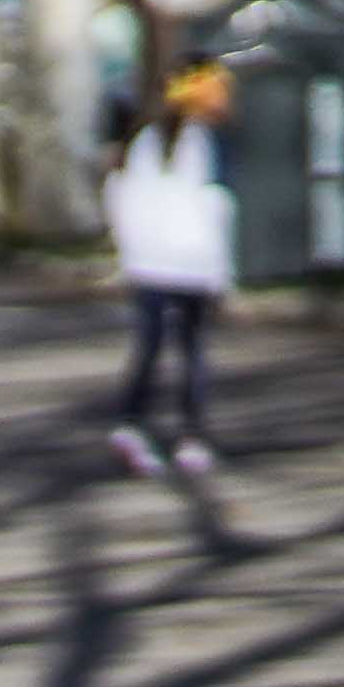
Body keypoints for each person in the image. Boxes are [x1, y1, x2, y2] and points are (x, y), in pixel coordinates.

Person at [104, 62, 238, 480]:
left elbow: (119, 192)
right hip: (192, 262)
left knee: (149, 346)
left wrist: (127, 250)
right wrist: (223, 274)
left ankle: (131, 423)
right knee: (192, 350)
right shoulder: (209, 141)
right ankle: (192, 437)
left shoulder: (145, 137)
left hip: (147, 261)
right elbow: (217, 207)